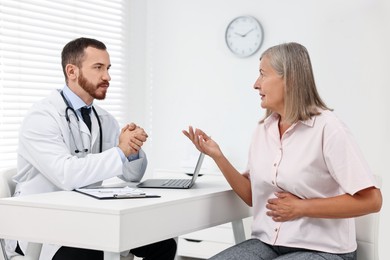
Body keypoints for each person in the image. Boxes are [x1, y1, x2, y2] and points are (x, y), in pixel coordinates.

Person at [183, 42, 382, 260]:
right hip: (267, 243)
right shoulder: (263, 129)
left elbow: (372, 200)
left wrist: (302, 207)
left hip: (323, 250)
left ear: (289, 79)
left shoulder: (328, 128)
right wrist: (218, 156)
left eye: (262, 75)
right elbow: (252, 196)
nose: (255, 84)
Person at [6, 37, 176, 260]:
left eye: (108, 68)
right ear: (72, 71)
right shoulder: (41, 117)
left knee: (163, 245)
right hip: (43, 226)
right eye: (98, 68)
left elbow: (132, 176)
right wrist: (120, 151)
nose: (107, 77)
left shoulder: (104, 119)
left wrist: (132, 149)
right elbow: (66, 175)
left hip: (88, 218)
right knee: (90, 254)